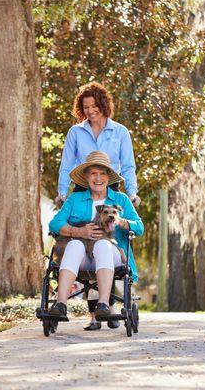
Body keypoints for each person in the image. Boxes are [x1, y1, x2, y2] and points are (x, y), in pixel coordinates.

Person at [54, 81, 141, 329]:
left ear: (103, 105)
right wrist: (62, 193)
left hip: (111, 189)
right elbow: (67, 164)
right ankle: (96, 314)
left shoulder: (120, 132)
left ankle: (108, 306)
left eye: (94, 106)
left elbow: (127, 166)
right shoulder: (76, 132)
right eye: (85, 107)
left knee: (107, 243)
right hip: (82, 188)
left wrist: (131, 193)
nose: (90, 111)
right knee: (82, 243)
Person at [49, 151, 144, 323]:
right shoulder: (75, 199)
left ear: (108, 177)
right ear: (86, 176)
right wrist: (77, 232)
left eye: (102, 173)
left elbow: (139, 227)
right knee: (74, 245)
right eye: (93, 173)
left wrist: (120, 221)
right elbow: (55, 224)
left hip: (111, 256)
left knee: (103, 245)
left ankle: (103, 305)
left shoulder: (120, 199)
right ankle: (61, 304)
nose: (98, 178)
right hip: (83, 258)